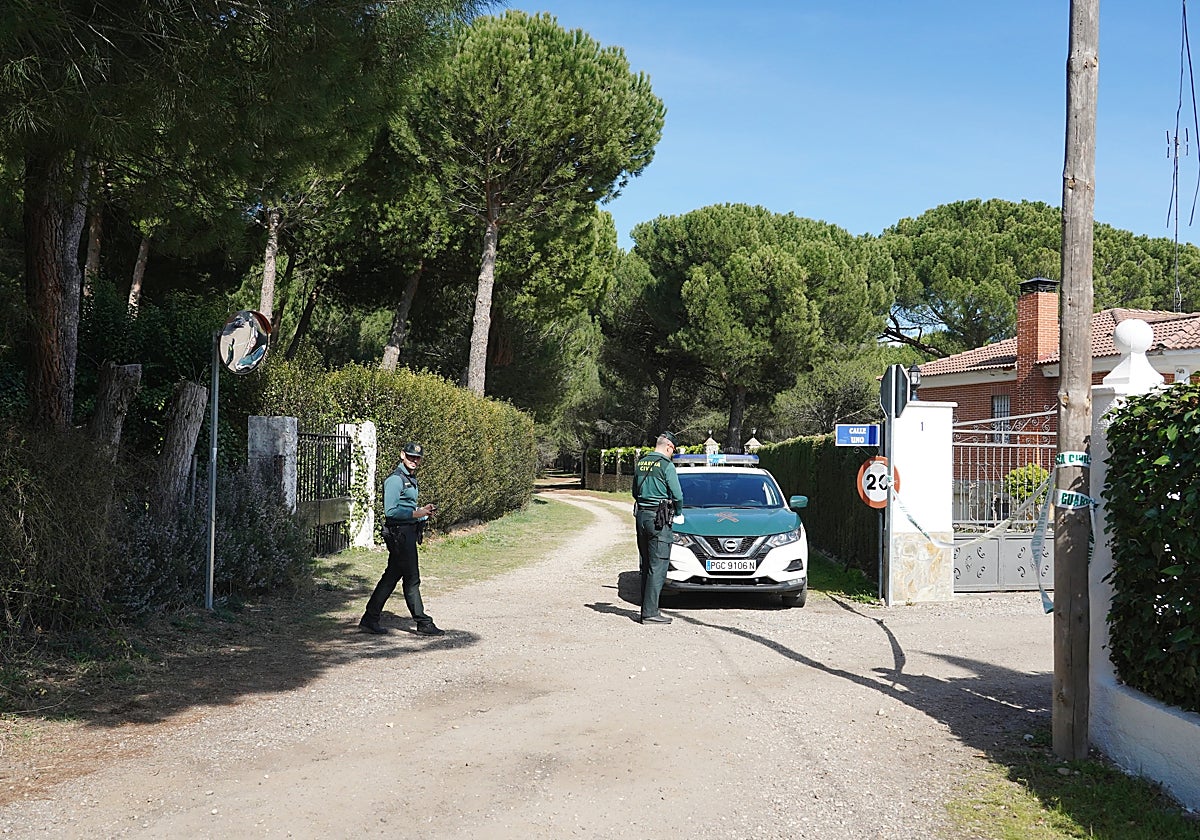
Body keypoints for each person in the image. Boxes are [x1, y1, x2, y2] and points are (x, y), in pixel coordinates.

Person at [359, 442, 444, 636]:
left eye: (417, 458)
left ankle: (370, 618)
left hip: (406, 532)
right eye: (411, 456)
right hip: (400, 535)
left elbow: (407, 508)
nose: (414, 460)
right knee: (412, 579)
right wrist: (417, 513)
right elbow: (391, 512)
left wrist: (423, 514)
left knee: (390, 577)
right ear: (402, 455)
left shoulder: (409, 478)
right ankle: (423, 622)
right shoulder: (395, 480)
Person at [632, 432, 685, 625]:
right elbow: (677, 495)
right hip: (659, 518)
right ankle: (651, 613)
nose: (672, 454)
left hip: (642, 516)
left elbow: (634, 492)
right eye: (673, 451)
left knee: (646, 563)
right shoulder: (666, 465)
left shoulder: (641, 463)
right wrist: (678, 512)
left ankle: (646, 608)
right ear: (669, 447)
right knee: (659, 565)